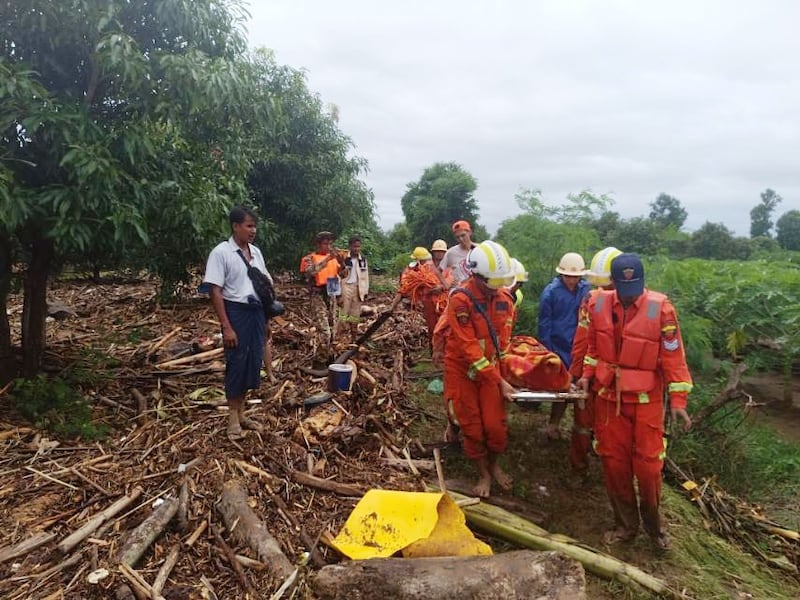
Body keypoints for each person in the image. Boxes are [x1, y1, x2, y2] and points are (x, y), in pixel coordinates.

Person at [577, 253, 693, 550]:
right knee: (614, 465)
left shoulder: (661, 309)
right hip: (608, 398)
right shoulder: (597, 302)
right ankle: (625, 526)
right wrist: (587, 375)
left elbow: (673, 356)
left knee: (649, 468)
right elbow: (592, 345)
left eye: (635, 288)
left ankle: (655, 528)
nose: (629, 296)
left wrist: (678, 401)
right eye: (624, 289)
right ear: (613, 283)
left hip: (647, 401)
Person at [442, 240, 517, 497]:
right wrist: (499, 381)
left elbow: (503, 339)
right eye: (492, 282)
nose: (496, 288)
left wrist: (504, 373)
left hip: (491, 372)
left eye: (500, 282)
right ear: (476, 274)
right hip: (463, 369)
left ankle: (494, 465)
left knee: (496, 427)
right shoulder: (461, 300)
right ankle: (483, 473)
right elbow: (469, 346)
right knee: (471, 425)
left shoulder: (504, 298)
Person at [203, 206, 269, 440]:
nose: (253, 230)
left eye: (254, 226)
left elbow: (265, 283)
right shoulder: (221, 253)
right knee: (237, 362)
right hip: (236, 313)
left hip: (256, 312)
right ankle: (232, 417)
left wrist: (267, 315)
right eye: (249, 226)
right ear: (235, 226)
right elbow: (215, 290)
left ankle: (242, 413)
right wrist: (227, 326)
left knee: (252, 363)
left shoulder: (257, 253)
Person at [568, 247, 622, 474]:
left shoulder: (640, 303)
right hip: (593, 370)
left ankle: (610, 467)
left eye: (607, 285)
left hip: (621, 378)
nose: (603, 290)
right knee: (584, 420)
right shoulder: (592, 300)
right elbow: (582, 340)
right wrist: (577, 373)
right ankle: (579, 466)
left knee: (613, 425)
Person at [538, 252, 590, 439]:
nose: (572, 280)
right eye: (568, 276)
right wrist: (549, 353)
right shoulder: (550, 293)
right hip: (559, 348)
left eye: (576, 277)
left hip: (581, 348)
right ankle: (553, 425)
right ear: (561, 274)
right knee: (562, 388)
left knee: (582, 390)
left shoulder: (586, 290)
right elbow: (545, 325)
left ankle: (582, 427)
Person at [300, 231, 344, 357]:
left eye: (330, 243)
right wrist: (327, 259)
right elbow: (310, 272)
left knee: (333, 329)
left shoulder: (334, 259)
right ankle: (319, 360)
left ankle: (330, 357)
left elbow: (342, 275)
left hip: (332, 292)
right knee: (324, 331)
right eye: (325, 243)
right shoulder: (309, 259)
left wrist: (343, 263)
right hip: (317, 295)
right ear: (318, 244)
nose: (329, 247)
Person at [338, 236, 369, 340]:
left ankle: (353, 339)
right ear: (350, 246)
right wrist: (337, 294)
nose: (357, 249)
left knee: (355, 316)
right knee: (342, 314)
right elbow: (337, 275)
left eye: (358, 247)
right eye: (355, 246)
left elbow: (365, 277)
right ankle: (338, 339)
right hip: (345, 287)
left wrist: (365, 291)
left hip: (358, 289)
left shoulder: (363, 260)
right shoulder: (343, 258)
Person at [439, 220, 477, 285]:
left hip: (478, 291)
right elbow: (439, 271)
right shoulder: (451, 253)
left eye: (463, 235)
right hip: (459, 292)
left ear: (470, 232)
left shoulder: (479, 250)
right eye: (457, 237)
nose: (461, 239)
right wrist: (445, 284)